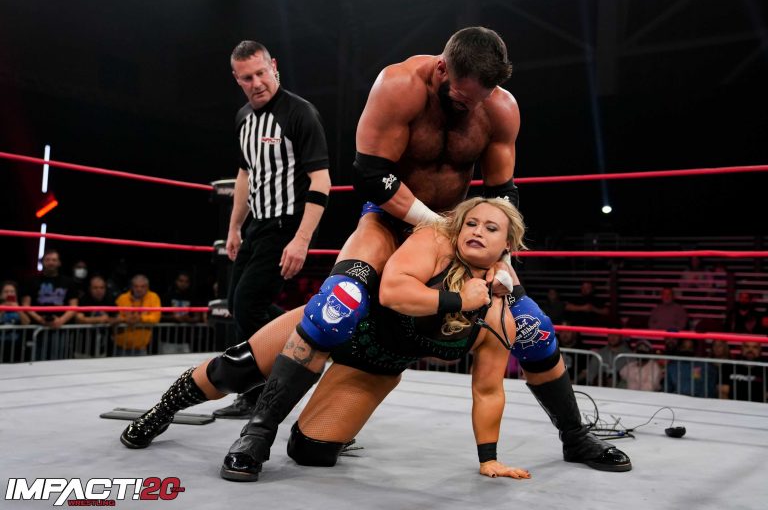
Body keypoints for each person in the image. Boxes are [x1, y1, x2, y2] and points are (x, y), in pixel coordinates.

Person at [219, 26, 627, 475]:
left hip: (458, 235)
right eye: (460, 98)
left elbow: (501, 193)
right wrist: (438, 227)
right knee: (337, 305)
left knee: (532, 326)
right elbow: (370, 173)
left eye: (478, 100)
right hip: (388, 220)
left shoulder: (500, 109)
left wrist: (501, 258)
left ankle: (575, 437)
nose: (467, 107)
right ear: (442, 69)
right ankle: (258, 433)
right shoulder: (399, 85)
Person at [119, 198, 631, 480]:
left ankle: (317, 426)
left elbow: (488, 389)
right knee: (234, 370)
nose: (476, 230)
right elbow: (391, 291)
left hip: (376, 364)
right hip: (356, 323)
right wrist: (458, 298)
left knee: (313, 452)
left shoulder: (500, 315)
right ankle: (162, 412)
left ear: (508, 246)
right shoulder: (432, 243)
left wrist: (488, 458)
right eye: (470, 222)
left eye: (490, 228)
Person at [214, 40, 332, 419]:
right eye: (247, 78)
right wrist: (234, 227)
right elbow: (245, 175)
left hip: (288, 225)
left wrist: (301, 240)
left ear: (274, 66)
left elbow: (321, 181)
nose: (256, 83)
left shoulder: (300, 113)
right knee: (239, 305)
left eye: (261, 73)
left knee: (248, 303)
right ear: (237, 79)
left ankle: (270, 385)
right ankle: (308, 338)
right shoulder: (243, 118)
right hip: (257, 225)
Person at [20, 249, 79, 360]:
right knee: (36, 360)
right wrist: (40, 319)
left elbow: (74, 306)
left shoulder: (68, 282)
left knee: (59, 361)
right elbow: (25, 305)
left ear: (59, 263)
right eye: (47, 260)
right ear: (42, 262)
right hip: (37, 328)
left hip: (61, 329)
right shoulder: (32, 281)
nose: (51, 262)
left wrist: (60, 321)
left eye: (54, 260)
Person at [113, 275, 162, 356]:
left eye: (142, 286)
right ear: (131, 287)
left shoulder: (153, 297)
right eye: (136, 286)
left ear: (147, 287)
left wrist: (140, 318)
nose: (139, 289)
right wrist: (125, 319)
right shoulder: (122, 298)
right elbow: (115, 317)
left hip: (141, 348)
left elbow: (156, 317)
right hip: (121, 346)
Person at [75, 275, 117, 357]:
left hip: (104, 347)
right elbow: (79, 319)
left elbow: (118, 317)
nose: (99, 290)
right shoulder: (84, 300)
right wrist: (99, 319)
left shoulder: (109, 300)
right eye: (95, 288)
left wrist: (109, 320)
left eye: (102, 288)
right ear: (90, 289)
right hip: (83, 347)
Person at [1, 281, 30, 362]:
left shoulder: (18, 307)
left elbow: (27, 322)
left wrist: (18, 309)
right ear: (1, 294)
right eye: (6, 292)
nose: (9, 294)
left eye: (12, 291)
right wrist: (3, 308)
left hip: (17, 346)